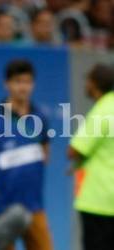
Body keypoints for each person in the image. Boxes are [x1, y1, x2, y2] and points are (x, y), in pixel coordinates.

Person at [0, 60, 53, 250]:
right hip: (3, 210)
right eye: (17, 81)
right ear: (6, 83)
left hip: (35, 208)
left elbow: (45, 155)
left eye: (27, 82)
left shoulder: (40, 117)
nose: (23, 87)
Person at [68, 64, 114, 250]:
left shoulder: (102, 110)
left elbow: (75, 150)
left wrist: (78, 160)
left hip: (98, 200)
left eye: (88, 80)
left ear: (95, 84)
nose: (85, 84)